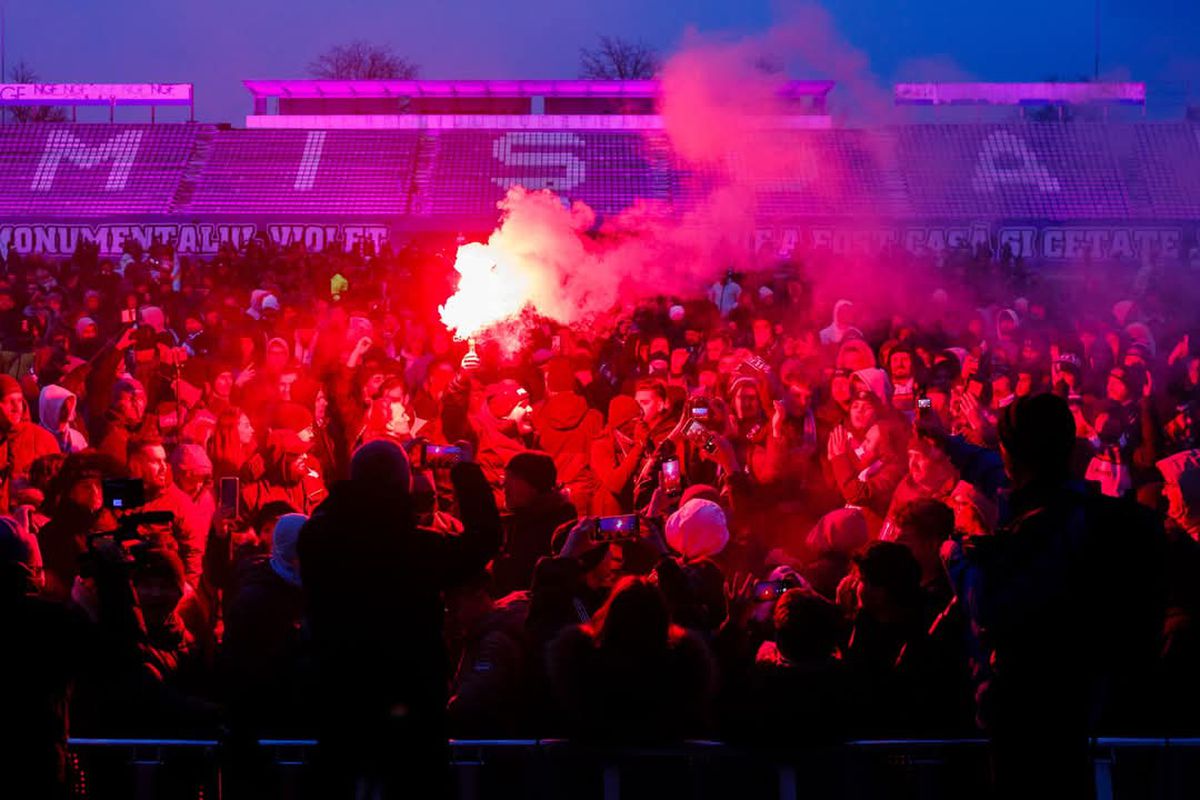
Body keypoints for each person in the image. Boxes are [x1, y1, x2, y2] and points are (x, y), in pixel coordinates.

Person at [944, 394, 1166, 798]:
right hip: (1100, 709)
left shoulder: (1040, 530)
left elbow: (993, 611)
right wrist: (945, 439)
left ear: (1010, 454)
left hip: (1037, 719)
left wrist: (964, 555)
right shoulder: (1103, 515)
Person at [298, 439, 500, 799]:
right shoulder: (420, 549)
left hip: (339, 695)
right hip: (413, 701)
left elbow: (332, 516)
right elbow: (483, 540)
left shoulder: (317, 540)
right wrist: (465, 471)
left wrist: (350, 486)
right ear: (405, 484)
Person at [492, 451, 577, 596]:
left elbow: (523, 574)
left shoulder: (556, 521)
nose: (503, 485)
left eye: (511, 478)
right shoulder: (519, 518)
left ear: (533, 484)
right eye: (504, 478)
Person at [532, 357, 603, 514]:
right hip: (583, 496)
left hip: (549, 495)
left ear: (549, 383)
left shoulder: (536, 414)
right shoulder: (593, 417)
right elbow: (598, 462)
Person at [0, 374, 60, 514]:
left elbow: (58, 485)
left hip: (34, 522)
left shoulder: (43, 439)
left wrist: (40, 496)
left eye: (19, 401)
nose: (16, 408)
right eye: (9, 401)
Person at [37, 384, 88, 454]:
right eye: (62, 407)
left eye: (69, 404)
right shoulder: (36, 439)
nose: (68, 410)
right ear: (50, 409)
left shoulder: (77, 438)